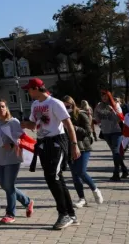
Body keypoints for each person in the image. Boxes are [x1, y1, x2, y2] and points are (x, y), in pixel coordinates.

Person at [20, 78, 80, 230]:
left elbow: (68, 124)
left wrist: (74, 145)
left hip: (56, 142)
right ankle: (71, 214)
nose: (28, 92)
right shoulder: (35, 104)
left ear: (36, 88)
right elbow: (34, 125)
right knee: (57, 178)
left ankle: (64, 214)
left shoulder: (55, 103)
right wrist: (23, 124)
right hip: (43, 143)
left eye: (29, 89)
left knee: (52, 177)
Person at [0, 100, 33, 224]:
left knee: (9, 186)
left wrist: (12, 145)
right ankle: (27, 201)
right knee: (5, 185)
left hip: (13, 158)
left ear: (6, 108)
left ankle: (10, 214)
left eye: (3, 106)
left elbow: (21, 139)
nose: (1, 109)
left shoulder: (14, 122)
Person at [62, 96, 103, 208]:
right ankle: (82, 199)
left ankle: (95, 189)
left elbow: (88, 131)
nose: (66, 107)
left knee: (81, 171)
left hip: (82, 147)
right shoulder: (61, 116)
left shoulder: (80, 114)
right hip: (68, 148)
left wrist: (74, 128)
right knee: (75, 175)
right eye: (64, 105)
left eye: (68, 105)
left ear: (72, 104)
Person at [95, 92, 129, 181]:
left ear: (109, 96)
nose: (104, 98)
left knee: (115, 150)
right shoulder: (99, 106)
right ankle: (124, 170)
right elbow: (96, 116)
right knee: (115, 152)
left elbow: (120, 119)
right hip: (106, 132)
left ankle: (116, 173)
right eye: (102, 96)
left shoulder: (116, 105)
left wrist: (112, 110)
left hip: (116, 131)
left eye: (105, 96)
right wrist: (100, 125)